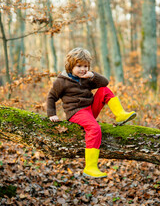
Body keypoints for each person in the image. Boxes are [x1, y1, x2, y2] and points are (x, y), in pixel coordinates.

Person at [47, 48, 136, 178]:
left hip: (90, 110)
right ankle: (90, 167)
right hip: (76, 113)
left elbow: (105, 82)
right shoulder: (62, 81)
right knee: (94, 128)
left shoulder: (86, 78)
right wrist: (52, 114)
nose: (83, 69)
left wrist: (93, 75)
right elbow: (51, 97)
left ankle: (120, 114)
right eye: (79, 66)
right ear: (70, 66)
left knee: (104, 90)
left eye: (86, 66)